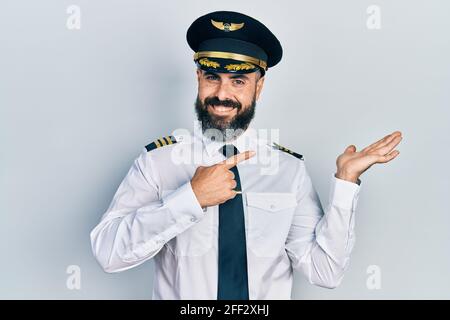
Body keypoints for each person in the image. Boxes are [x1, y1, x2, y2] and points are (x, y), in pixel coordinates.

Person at [90, 10, 402, 300]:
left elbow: (325, 271)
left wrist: (346, 182)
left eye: (238, 81)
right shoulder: (157, 162)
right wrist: (191, 197)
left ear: (259, 87)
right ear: (199, 78)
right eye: (212, 77)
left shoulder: (288, 170)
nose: (222, 95)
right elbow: (108, 254)